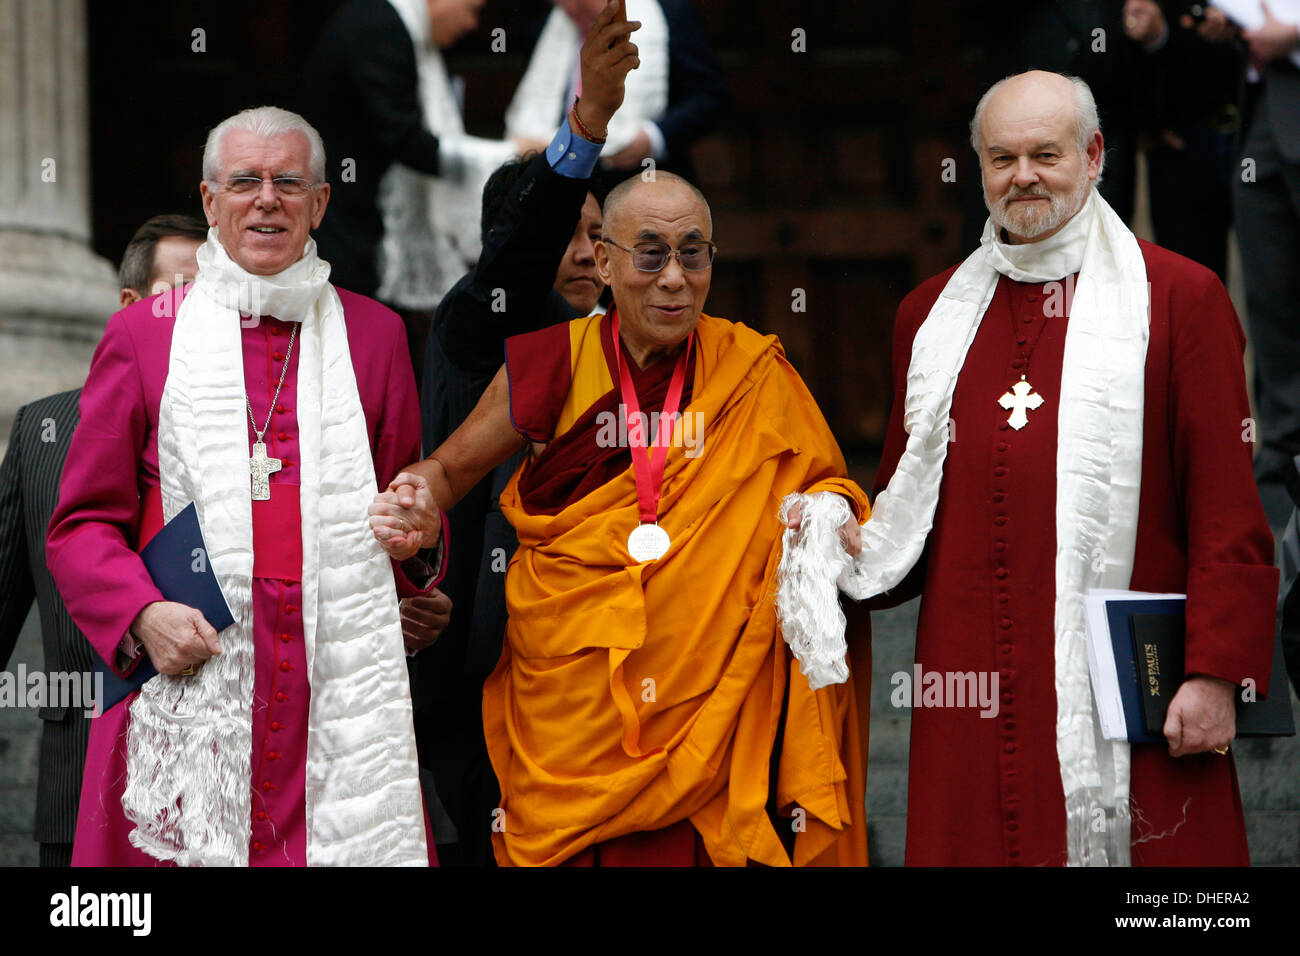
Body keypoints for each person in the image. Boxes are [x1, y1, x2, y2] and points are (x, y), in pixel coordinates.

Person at [782, 71, 1277, 866]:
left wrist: (1216, 673)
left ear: (1094, 154)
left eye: (1045, 154)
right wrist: (841, 539)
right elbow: (912, 523)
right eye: (1001, 158)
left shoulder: (1181, 299)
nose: (1023, 177)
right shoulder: (929, 314)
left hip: (1135, 688)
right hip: (969, 691)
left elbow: (1227, 508)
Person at [374, 169, 871, 867]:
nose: (673, 278)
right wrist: (417, 501)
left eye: (692, 253)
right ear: (604, 261)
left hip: (710, 704)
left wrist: (831, 513)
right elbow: (450, 470)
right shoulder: (552, 360)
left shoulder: (753, 370)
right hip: (572, 701)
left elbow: (824, 484)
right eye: (650, 253)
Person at [46, 106, 445, 867]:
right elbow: (82, 524)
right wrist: (143, 613)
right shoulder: (144, 334)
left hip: (332, 689)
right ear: (209, 202)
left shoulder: (376, 334)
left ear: (321, 202)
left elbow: (407, 510)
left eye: (289, 182)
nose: (267, 199)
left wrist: (420, 538)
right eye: (245, 182)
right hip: (194, 674)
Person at [414, 1, 634, 865]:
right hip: (479, 657)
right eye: (571, 237)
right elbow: (520, 255)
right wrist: (585, 127)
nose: (588, 256)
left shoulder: (629, 348)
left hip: (594, 673)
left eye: (600, 238)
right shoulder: (481, 322)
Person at [0, 214, 205, 868]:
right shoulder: (43, 433)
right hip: (78, 786)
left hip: (218, 791)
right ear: (130, 306)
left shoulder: (261, 435)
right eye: (180, 292)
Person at [303, 0, 519, 388]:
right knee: (359, 354)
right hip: (350, 222)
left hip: (365, 216)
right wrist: (506, 156)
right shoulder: (381, 27)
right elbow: (406, 141)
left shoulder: (392, 24)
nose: (472, 24)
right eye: (472, 8)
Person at [505, 0, 725, 178]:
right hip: (560, 179)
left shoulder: (670, 14)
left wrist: (652, 138)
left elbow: (709, 96)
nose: (573, 6)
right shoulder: (543, 29)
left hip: (646, 177)